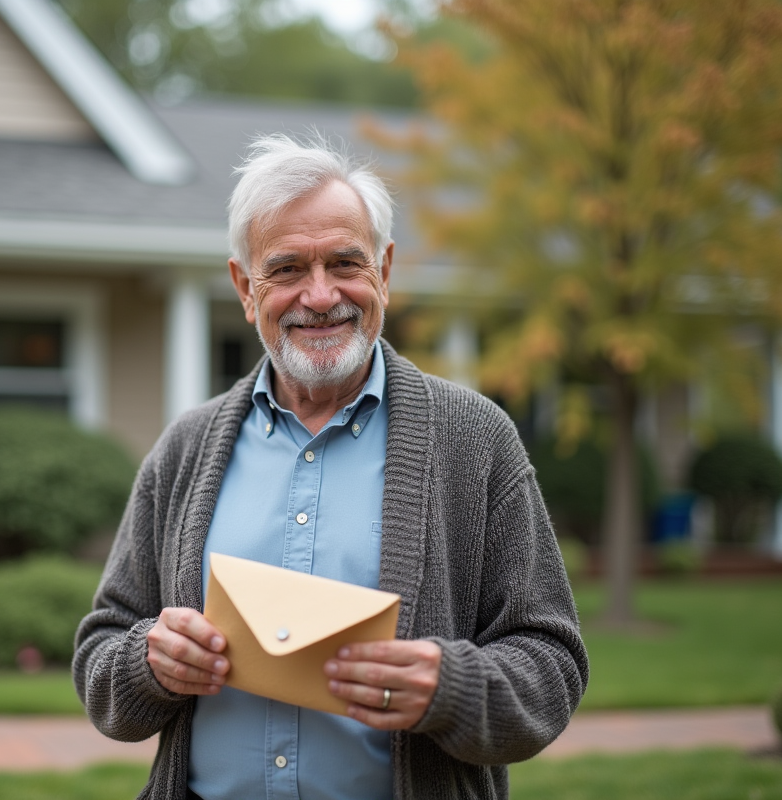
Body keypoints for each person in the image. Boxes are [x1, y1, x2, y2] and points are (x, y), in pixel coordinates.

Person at [73, 134, 588, 800]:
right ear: (244, 288)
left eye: (345, 262)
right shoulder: (186, 449)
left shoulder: (475, 440)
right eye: (287, 269)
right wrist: (148, 660)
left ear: (385, 271)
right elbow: (100, 650)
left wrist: (449, 689)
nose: (320, 296)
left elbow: (552, 662)